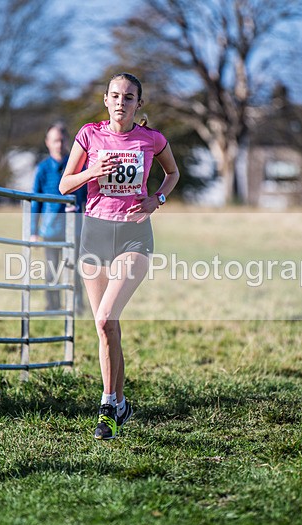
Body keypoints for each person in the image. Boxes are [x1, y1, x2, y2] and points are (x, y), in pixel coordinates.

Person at [59, 73, 180, 440]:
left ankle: (107, 404)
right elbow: (65, 184)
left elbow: (172, 173)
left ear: (138, 104)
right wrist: (92, 171)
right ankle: (121, 404)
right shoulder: (88, 135)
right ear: (106, 100)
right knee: (105, 326)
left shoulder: (152, 139)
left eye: (129, 97)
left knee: (108, 316)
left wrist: (156, 199)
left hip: (133, 235)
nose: (121, 102)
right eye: (115, 96)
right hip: (94, 233)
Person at [31, 122, 87, 312]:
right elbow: (35, 201)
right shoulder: (43, 169)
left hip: (75, 228)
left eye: (62, 140)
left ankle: (78, 305)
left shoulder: (79, 166)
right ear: (48, 143)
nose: (58, 144)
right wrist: (33, 231)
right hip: (50, 229)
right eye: (55, 140)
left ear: (67, 141)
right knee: (51, 271)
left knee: (77, 270)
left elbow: (87, 198)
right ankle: (52, 305)